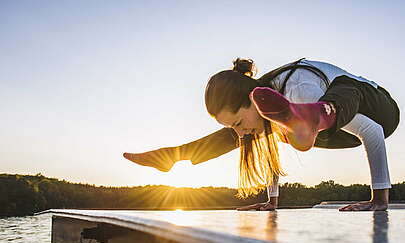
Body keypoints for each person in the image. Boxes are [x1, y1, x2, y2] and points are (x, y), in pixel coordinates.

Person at [124, 58, 400, 211]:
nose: (240, 131)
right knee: (247, 132)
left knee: (345, 86)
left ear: (253, 99)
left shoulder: (299, 89)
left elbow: (373, 131)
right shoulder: (268, 107)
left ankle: (317, 115)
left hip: (379, 110)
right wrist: (272, 201)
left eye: (238, 121)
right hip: (325, 130)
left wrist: (379, 199)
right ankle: (173, 156)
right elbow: (267, 148)